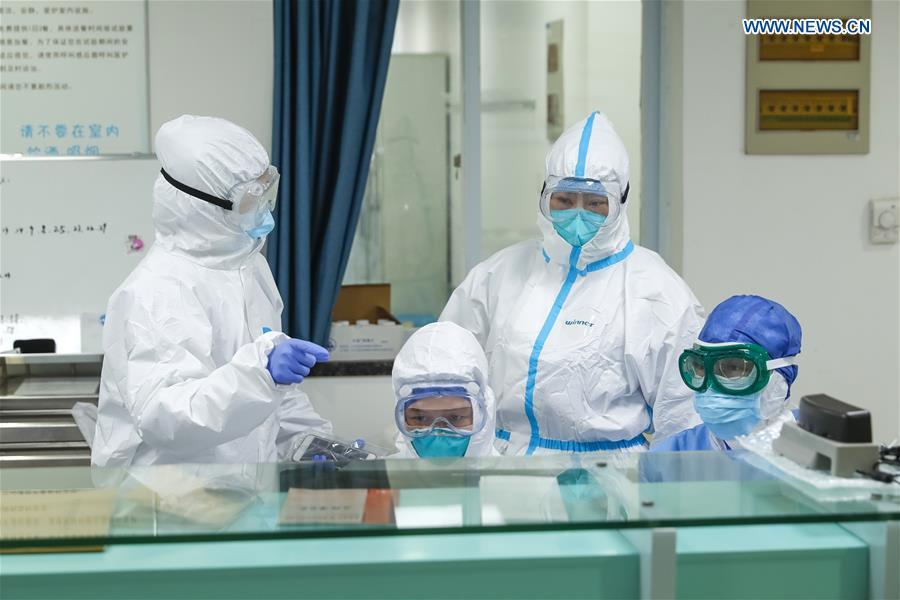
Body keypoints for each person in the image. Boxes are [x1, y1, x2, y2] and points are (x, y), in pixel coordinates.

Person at [441, 112, 705, 455]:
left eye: (595, 203)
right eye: (564, 200)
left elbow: (683, 413)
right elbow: (443, 371)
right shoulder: (499, 274)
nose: (578, 214)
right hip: (505, 467)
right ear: (545, 195)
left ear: (620, 202)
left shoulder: (655, 289)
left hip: (609, 476)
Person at [92, 115, 331, 469]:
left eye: (266, 193)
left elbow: (271, 396)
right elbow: (165, 418)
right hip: (170, 496)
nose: (264, 212)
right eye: (250, 201)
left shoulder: (249, 269)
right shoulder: (158, 291)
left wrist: (309, 442)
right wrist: (261, 374)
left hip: (244, 491)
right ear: (199, 207)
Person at [652, 294, 801, 452]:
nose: (711, 390)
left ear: (779, 379)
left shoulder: (815, 447)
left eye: (734, 368)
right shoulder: (674, 453)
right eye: (701, 366)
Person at [392, 322, 497, 458]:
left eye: (456, 418)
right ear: (402, 416)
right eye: (421, 418)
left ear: (484, 411)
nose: (438, 434)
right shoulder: (384, 470)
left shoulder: (509, 472)